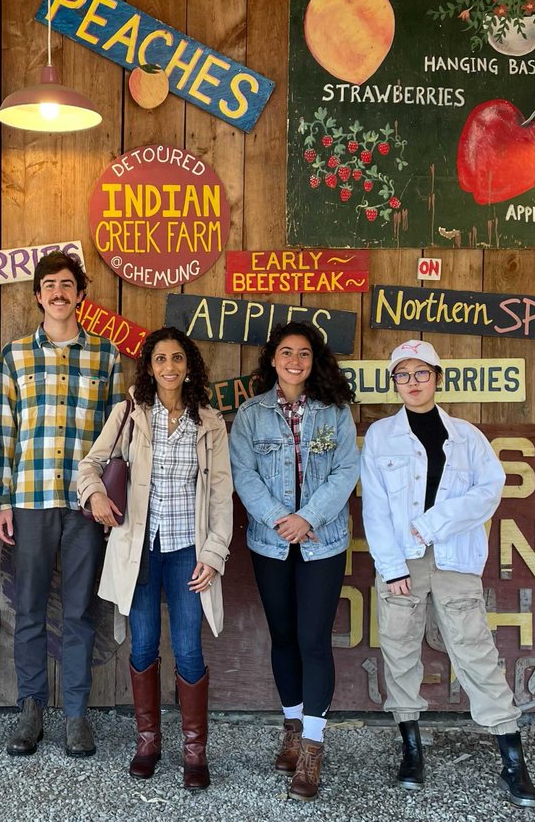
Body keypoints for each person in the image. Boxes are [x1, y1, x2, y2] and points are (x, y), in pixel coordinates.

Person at [360, 339, 535, 808]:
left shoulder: (467, 436)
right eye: (403, 375)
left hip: (454, 558)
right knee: (400, 650)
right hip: (401, 560)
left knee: (475, 650)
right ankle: (411, 749)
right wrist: (390, 566)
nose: (412, 383)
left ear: (438, 379)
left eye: (421, 373)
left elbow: (489, 490)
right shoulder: (381, 436)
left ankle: (511, 757)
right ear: (394, 383)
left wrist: (432, 524)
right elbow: (376, 508)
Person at [77, 327, 233, 790]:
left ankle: (194, 749)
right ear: (149, 366)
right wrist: (96, 497)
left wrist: (215, 553)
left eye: (178, 359)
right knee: (143, 645)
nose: (169, 367)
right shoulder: (130, 413)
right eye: (160, 359)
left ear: (189, 366)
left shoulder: (209, 422)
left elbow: (222, 495)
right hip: (138, 552)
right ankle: (147, 742)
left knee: (188, 649)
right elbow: (90, 464)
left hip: (189, 551)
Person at [0, 251, 123, 758]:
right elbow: (6, 435)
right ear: (37, 295)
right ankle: (30, 711)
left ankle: (75, 715)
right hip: (29, 499)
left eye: (67, 284)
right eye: (49, 285)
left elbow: (116, 440)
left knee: (79, 611)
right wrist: (3, 500)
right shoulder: (15, 355)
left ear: (80, 293)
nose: (58, 293)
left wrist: (107, 500)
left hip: (85, 506)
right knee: (27, 609)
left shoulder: (107, 357)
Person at [228, 321, 359, 802]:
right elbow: (243, 473)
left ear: (314, 360)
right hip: (271, 542)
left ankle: (311, 748)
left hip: (322, 542)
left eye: (304, 353)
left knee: (313, 640)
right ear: (273, 359)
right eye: (286, 352)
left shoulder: (335, 412)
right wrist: (281, 519)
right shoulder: (250, 414)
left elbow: (347, 470)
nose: (295, 361)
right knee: (282, 636)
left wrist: (307, 518)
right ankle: (290, 727)